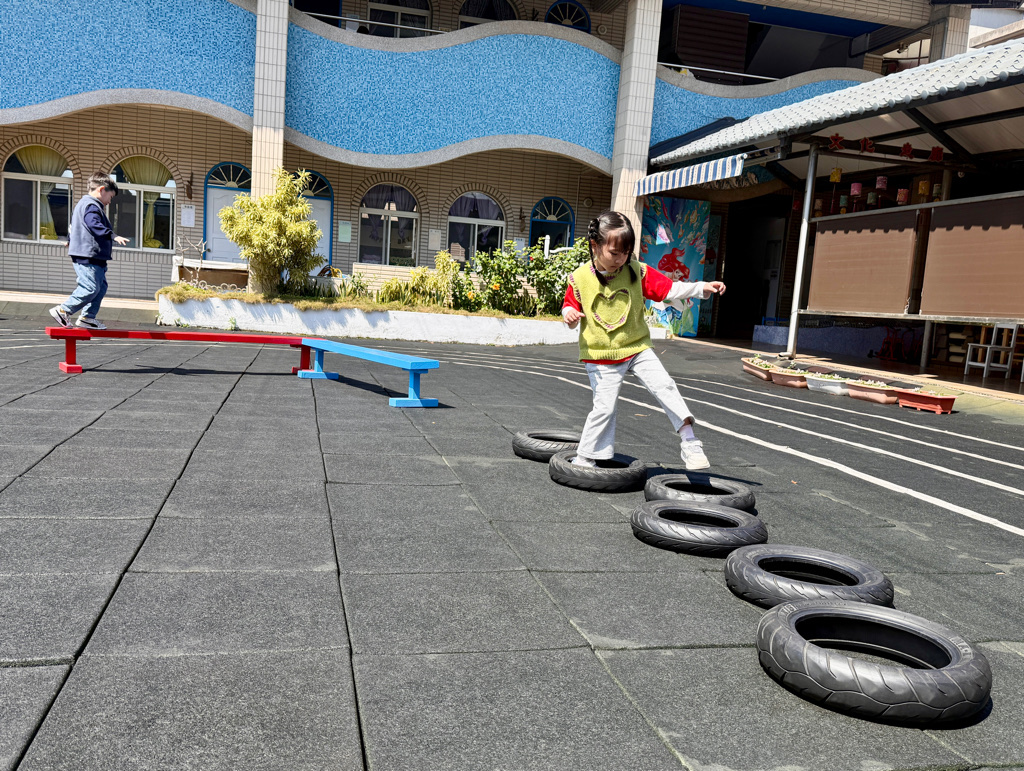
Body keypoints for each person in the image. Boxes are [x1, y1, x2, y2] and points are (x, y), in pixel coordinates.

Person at [562, 210, 726, 471]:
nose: (621, 259)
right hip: (600, 356)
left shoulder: (636, 271)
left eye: (626, 253)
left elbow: (669, 289)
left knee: (665, 386)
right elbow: (569, 306)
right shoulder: (580, 278)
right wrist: (569, 315)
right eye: (614, 253)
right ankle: (586, 458)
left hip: (637, 348)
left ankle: (690, 441)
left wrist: (700, 287)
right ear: (595, 245)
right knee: (604, 408)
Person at [49, 172, 129, 330]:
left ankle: (87, 317)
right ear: (102, 190)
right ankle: (63, 310)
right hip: (88, 255)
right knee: (90, 288)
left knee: (100, 287)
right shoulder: (91, 205)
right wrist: (112, 235)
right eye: (110, 197)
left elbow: (74, 226)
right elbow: (93, 224)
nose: (109, 201)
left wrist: (71, 240)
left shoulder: (84, 205)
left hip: (93, 256)